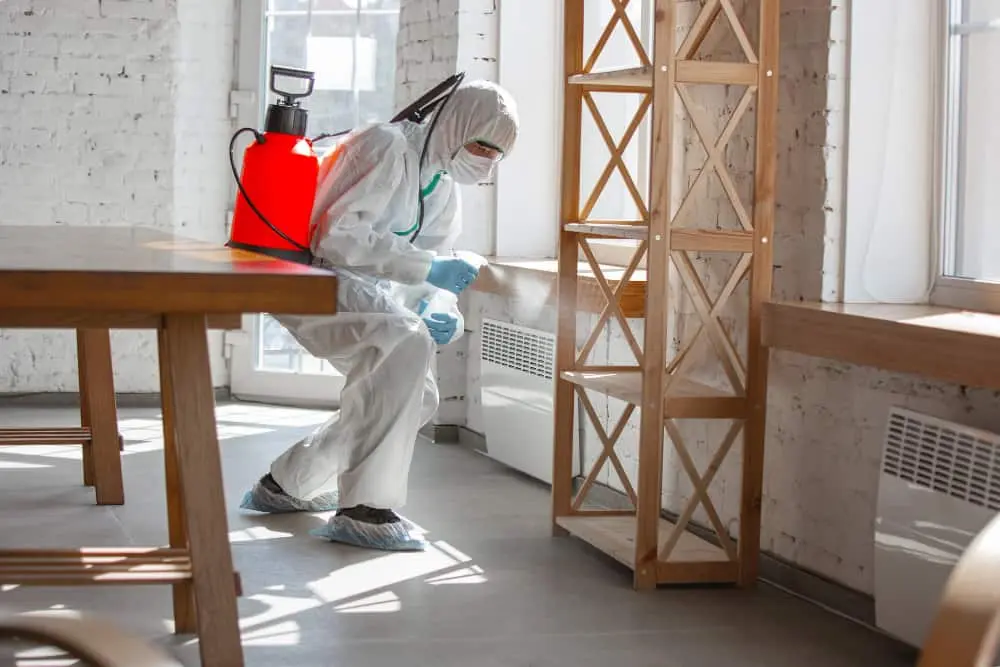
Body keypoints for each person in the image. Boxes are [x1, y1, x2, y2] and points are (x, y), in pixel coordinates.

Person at [239, 79, 519, 553]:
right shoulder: (385, 146)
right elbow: (337, 238)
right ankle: (365, 509)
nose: (484, 161)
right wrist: (428, 272)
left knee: (419, 396)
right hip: (307, 276)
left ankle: (287, 482)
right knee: (405, 348)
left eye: (495, 156)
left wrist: (435, 307)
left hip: (355, 286)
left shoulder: (443, 186)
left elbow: (430, 271)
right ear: (454, 124)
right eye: (480, 146)